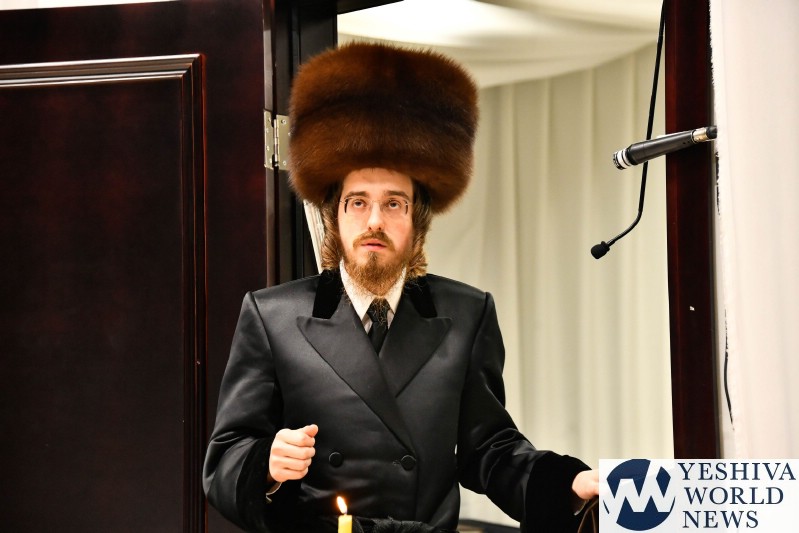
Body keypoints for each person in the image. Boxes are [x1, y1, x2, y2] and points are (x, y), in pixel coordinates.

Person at [203, 42, 599, 533]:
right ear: (334, 216)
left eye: (394, 203)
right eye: (357, 202)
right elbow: (224, 460)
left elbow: (490, 450)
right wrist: (265, 463)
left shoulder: (467, 313)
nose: (375, 220)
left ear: (418, 221)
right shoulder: (272, 316)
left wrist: (565, 482)